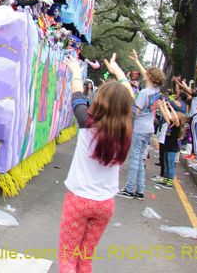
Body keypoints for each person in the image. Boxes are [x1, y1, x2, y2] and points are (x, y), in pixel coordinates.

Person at [58, 54, 132, 273]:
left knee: (68, 259)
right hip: (105, 204)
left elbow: (78, 94)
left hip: (78, 199)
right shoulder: (127, 127)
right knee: (85, 259)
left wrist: (77, 73)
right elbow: (129, 98)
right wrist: (118, 72)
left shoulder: (86, 122)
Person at [113, 51, 164, 199]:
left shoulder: (143, 93)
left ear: (149, 77)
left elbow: (136, 111)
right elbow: (149, 75)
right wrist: (137, 61)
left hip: (139, 128)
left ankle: (129, 189)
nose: (144, 73)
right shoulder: (156, 91)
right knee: (140, 158)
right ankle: (140, 189)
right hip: (149, 128)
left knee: (134, 158)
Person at [152, 100, 186, 189]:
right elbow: (165, 114)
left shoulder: (177, 127)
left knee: (171, 165)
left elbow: (175, 117)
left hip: (172, 149)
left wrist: (171, 107)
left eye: (173, 116)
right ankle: (164, 180)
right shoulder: (170, 124)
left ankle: (170, 183)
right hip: (167, 147)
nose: (171, 116)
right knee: (166, 165)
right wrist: (162, 106)